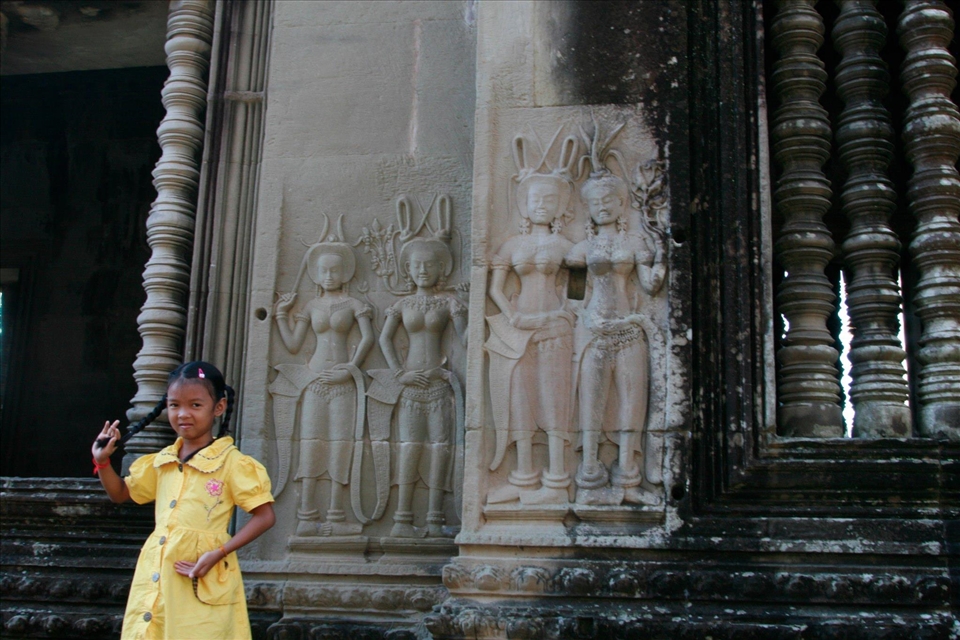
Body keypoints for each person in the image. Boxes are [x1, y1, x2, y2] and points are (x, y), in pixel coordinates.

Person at [91, 361, 276, 640]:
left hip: (202, 572)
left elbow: (265, 516)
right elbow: (120, 493)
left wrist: (219, 552)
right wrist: (102, 462)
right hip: (159, 571)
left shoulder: (232, 463)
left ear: (219, 407)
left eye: (195, 405)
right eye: (175, 405)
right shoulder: (162, 461)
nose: (183, 414)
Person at [566, 166, 666, 506]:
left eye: (609, 199)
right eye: (595, 202)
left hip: (629, 329)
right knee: (591, 405)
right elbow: (574, 295)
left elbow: (651, 284)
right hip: (594, 331)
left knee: (631, 404)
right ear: (588, 209)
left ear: (623, 203)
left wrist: (664, 250)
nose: (603, 206)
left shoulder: (636, 243)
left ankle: (627, 478)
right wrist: (586, 318)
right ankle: (589, 478)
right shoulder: (581, 248)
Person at [485, 140, 578, 505]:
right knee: (519, 400)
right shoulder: (511, 245)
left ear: (560, 207)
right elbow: (494, 289)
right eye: (536, 199)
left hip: (554, 328)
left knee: (554, 400)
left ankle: (556, 482)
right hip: (519, 328)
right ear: (525, 203)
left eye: (550, 200)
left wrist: (564, 313)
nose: (542, 205)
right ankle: (523, 477)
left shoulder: (565, 246)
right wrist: (512, 316)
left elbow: (577, 290)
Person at [271, 232, 376, 536]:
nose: (329, 276)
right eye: (323, 271)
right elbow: (293, 345)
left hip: (342, 381)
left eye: (335, 270)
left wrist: (351, 368)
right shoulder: (311, 307)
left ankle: (335, 514)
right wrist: (280, 315)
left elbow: (368, 338)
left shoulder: (355, 304)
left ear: (345, 274)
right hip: (315, 379)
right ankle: (306, 515)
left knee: (340, 444)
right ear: (316, 275)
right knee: (311, 443)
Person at [373, 237, 467, 537]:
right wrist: (400, 374)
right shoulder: (402, 305)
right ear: (408, 270)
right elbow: (385, 339)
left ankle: (435, 518)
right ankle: (402, 519)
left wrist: (464, 312)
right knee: (409, 449)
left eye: (429, 265)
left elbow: (466, 341)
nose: (423, 270)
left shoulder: (447, 303)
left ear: (441, 268)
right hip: (411, 384)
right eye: (417, 265)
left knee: (441, 450)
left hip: (439, 384)